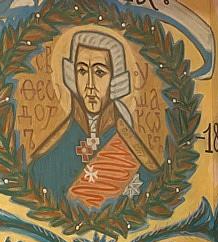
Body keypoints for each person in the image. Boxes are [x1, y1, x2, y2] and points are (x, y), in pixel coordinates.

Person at [29, 30, 158, 209]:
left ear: (116, 81)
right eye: (82, 71)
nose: (90, 85)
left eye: (99, 72)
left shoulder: (135, 158)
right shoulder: (47, 159)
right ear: (72, 78)